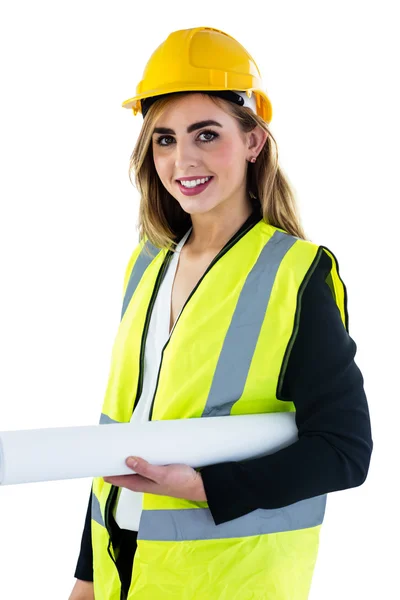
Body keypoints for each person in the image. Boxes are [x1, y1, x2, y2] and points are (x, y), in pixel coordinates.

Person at [68, 26, 373, 600]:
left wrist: (206, 486)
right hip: (122, 571)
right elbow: (121, 434)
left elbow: (345, 450)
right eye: (163, 139)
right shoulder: (147, 264)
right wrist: (85, 580)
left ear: (254, 139)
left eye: (206, 134)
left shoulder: (294, 273)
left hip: (232, 580)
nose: (182, 159)